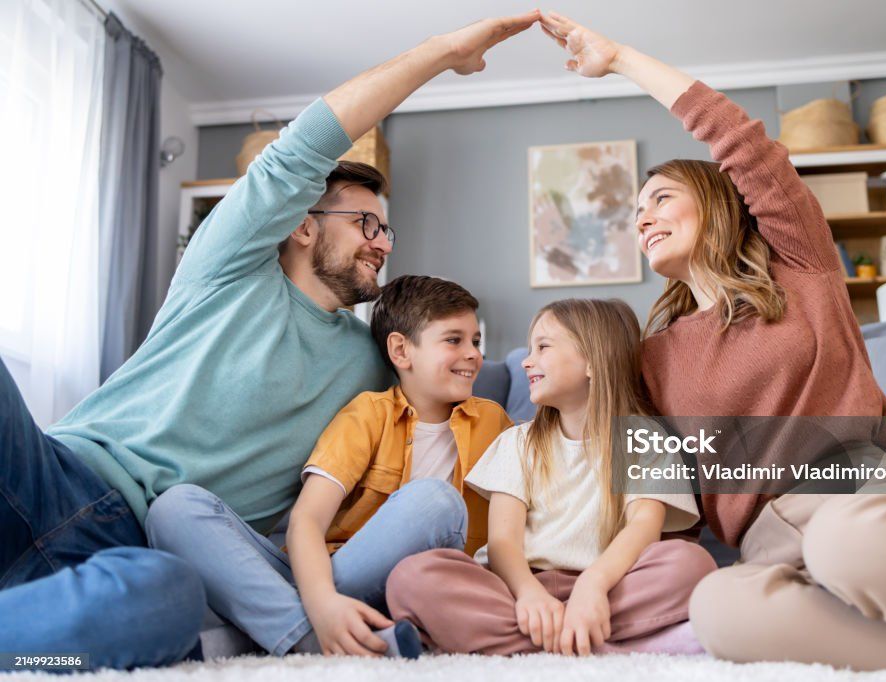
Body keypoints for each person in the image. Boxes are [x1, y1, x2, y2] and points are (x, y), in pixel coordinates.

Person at [0, 11, 540, 670]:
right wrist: (441, 52)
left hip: (141, 549)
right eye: (366, 223)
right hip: (51, 478)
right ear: (303, 226)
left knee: (168, 602)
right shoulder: (229, 268)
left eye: (387, 231)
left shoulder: (374, 363)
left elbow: (460, 384)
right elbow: (305, 144)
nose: (381, 243)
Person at [538, 11, 886, 670]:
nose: (643, 218)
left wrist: (619, 57)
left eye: (660, 199)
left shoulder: (800, 267)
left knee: (848, 545)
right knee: (718, 608)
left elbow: (741, 141)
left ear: (716, 203)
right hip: (772, 549)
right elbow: (647, 483)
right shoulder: (652, 358)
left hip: (873, 505)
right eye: (636, 212)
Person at [146, 275, 512, 658]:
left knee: (436, 502)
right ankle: (319, 634)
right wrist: (322, 603)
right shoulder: (367, 415)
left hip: (414, 590)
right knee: (174, 508)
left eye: (475, 342)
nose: (473, 354)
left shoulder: (496, 424)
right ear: (401, 350)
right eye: (454, 340)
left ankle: (283, 634)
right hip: (323, 575)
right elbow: (307, 520)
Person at [386, 299, 716, 655]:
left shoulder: (645, 439)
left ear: (593, 361)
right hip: (517, 588)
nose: (527, 361)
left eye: (542, 347)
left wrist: (593, 585)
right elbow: (503, 542)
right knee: (411, 577)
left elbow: (644, 526)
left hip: (610, 585)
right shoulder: (517, 442)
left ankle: (548, 635)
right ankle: (601, 640)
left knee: (691, 565)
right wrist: (529, 594)